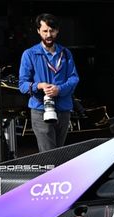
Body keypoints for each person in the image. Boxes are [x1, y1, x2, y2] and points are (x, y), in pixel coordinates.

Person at [19, 13, 80, 151]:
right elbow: (22, 84)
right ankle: (50, 173)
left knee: (59, 152)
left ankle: (56, 173)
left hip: (63, 109)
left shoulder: (65, 53)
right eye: (45, 31)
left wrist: (59, 89)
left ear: (57, 31)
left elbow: (74, 78)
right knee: (48, 154)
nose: (48, 35)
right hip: (41, 109)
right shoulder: (30, 54)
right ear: (38, 31)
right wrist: (38, 86)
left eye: (52, 31)